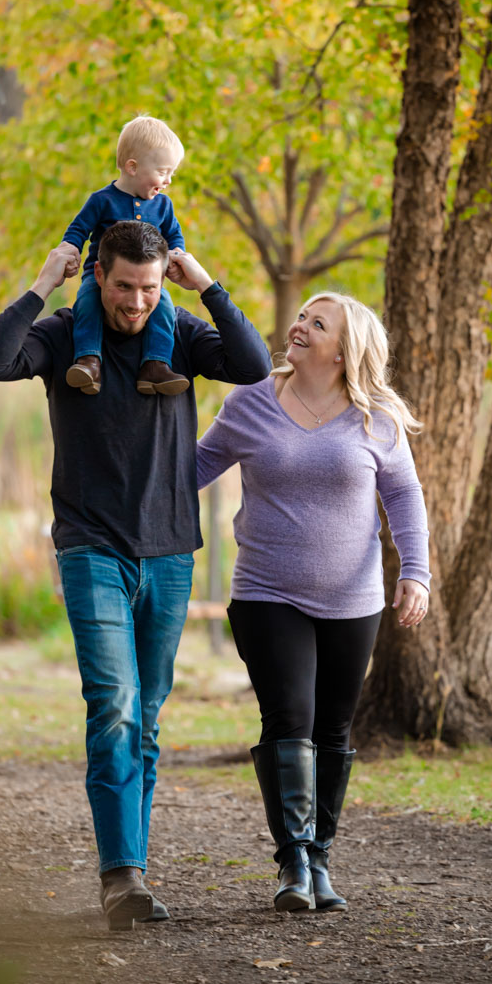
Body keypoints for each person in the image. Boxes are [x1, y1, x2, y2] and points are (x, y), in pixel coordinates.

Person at [0, 221, 271, 930]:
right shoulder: (62, 334)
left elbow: (253, 364)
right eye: (124, 286)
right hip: (90, 547)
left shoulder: (181, 329)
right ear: (99, 276)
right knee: (114, 704)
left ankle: (131, 866)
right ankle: (121, 877)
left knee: (146, 719)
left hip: (169, 553)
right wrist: (44, 280)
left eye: (148, 286)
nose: (136, 303)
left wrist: (206, 286)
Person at [196, 292, 430, 914]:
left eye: (316, 323)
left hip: (354, 599)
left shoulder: (376, 417)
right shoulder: (251, 399)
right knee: (289, 720)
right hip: (268, 592)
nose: (298, 327)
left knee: (333, 728)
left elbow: (403, 496)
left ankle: (321, 857)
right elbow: (190, 468)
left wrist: (417, 572)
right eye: (301, 316)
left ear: (343, 349)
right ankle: (294, 861)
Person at [61, 115, 190, 397]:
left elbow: (174, 236)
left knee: (165, 306)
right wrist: (70, 248)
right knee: (87, 302)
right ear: (132, 167)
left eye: (172, 174)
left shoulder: (163, 206)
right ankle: (88, 360)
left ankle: (155, 365)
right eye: (163, 172)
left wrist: (176, 254)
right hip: (103, 278)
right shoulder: (102, 200)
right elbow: (78, 229)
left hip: (147, 283)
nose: (168, 181)